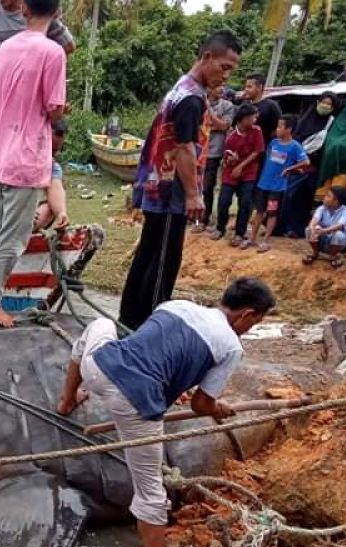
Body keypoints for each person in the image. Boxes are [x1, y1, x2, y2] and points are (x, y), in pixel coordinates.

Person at [55, 277, 277, 547]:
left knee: (100, 324)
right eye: (255, 322)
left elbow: (156, 351)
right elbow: (202, 405)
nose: (250, 328)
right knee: (152, 495)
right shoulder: (231, 346)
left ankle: (66, 401)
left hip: (100, 367)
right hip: (136, 403)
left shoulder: (177, 306)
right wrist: (217, 408)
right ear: (247, 315)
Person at [118, 30, 242, 331]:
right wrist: (193, 194)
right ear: (207, 57)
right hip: (170, 192)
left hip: (157, 184)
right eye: (224, 67)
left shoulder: (182, 88)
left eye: (231, 71)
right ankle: (146, 329)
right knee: (164, 262)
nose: (225, 76)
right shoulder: (190, 99)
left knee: (147, 255)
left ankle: (128, 319)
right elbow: (184, 147)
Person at [0, 0, 67, 328]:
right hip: (26, 160)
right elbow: (54, 108)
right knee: (12, 239)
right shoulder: (52, 52)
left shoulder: (4, 50)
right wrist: (59, 110)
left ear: (24, 9)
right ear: (56, 13)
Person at [0, 0, 76, 193]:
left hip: (26, 97)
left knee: (19, 157)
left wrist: (39, 70)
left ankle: (11, 204)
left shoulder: (37, 13)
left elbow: (67, 45)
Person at [0, 119, 69, 313]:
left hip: (13, 219)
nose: (51, 155)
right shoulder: (5, 148)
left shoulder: (49, 164)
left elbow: (55, 188)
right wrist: (18, 211)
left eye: (55, 152)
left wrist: (62, 213)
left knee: (50, 207)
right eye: (49, 149)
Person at [249, 115, 309, 253]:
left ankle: (266, 241)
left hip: (277, 187)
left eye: (280, 126)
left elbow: (306, 162)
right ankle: (252, 238)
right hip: (263, 183)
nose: (277, 129)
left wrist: (289, 169)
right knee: (259, 211)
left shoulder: (295, 147)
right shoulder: (273, 143)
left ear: (289, 129)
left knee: (272, 213)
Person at [278, 91, 335, 238]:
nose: (325, 106)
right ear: (317, 102)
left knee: (303, 199)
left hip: (314, 168)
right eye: (324, 102)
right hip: (297, 166)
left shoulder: (331, 124)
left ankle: (297, 229)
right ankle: (280, 226)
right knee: (287, 196)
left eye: (329, 104)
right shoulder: (304, 121)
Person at [211, 103, 263, 247]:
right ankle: (220, 227)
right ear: (243, 118)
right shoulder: (231, 136)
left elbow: (257, 152)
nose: (255, 119)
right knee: (224, 201)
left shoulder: (256, 131)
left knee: (245, 202)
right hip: (230, 173)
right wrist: (231, 160)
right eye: (253, 117)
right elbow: (226, 157)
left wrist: (240, 165)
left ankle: (240, 232)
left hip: (248, 173)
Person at [196, 84, 235, 233]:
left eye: (223, 86)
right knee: (196, 185)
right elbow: (198, 126)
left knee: (208, 186)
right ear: (209, 88)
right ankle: (195, 216)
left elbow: (223, 126)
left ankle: (205, 218)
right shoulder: (198, 103)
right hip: (198, 151)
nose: (222, 89)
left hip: (214, 152)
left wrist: (208, 113)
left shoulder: (227, 106)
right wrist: (213, 124)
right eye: (218, 86)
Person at [303, 186, 346, 268]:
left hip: (335, 241)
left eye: (328, 196)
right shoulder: (321, 208)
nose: (325, 197)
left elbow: (339, 225)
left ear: (336, 201)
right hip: (321, 238)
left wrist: (324, 231)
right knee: (308, 229)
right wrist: (312, 228)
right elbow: (314, 219)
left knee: (339, 235)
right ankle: (315, 252)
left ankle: (333, 256)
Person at [243, 72, 282, 149]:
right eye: (245, 87)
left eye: (249, 87)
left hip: (263, 150)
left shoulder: (271, 106)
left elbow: (278, 129)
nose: (246, 90)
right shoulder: (244, 105)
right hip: (243, 150)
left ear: (259, 87)